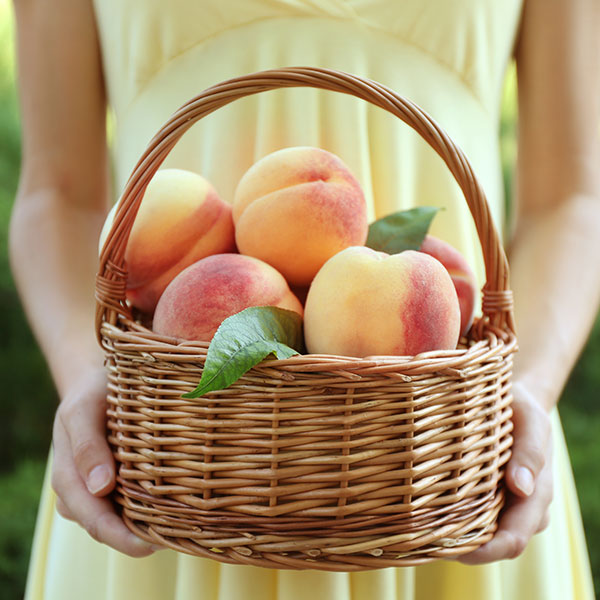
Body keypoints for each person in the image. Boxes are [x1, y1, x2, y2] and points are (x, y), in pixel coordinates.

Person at [9, 0, 600, 598]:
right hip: (173, 446)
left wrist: (530, 385)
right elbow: (57, 191)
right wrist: (85, 373)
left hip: (447, 449)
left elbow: (571, 198)